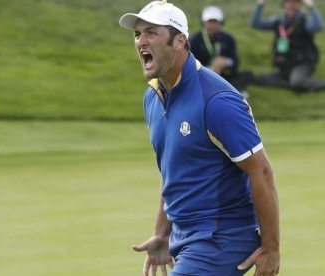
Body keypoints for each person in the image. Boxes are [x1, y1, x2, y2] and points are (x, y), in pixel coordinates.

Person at [119, 1, 280, 275]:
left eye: (151, 33)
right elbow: (175, 170)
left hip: (223, 239)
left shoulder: (217, 100)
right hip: (185, 237)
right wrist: (161, 233)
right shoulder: (153, 97)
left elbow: (261, 171)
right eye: (138, 34)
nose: (141, 41)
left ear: (179, 40)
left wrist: (271, 248)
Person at [251, 0, 325, 92]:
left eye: (294, 2)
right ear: (284, 4)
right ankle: (292, 83)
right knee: (258, 80)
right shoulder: (278, 21)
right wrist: (260, 4)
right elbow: (255, 24)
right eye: (288, 1)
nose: (291, 4)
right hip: (284, 64)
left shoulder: (304, 21)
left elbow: (317, 26)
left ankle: (299, 83)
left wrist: (311, 6)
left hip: (302, 63)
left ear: (300, 4)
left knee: (297, 82)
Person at [190, 6, 254, 95]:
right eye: (210, 22)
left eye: (216, 22)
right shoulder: (194, 40)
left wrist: (226, 62)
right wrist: (211, 69)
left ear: (221, 23)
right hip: (203, 75)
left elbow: (235, 61)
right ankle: (230, 91)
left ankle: (228, 91)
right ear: (203, 23)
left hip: (224, 75)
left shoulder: (228, 38)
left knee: (248, 75)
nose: (213, 25)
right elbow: (190, 65)